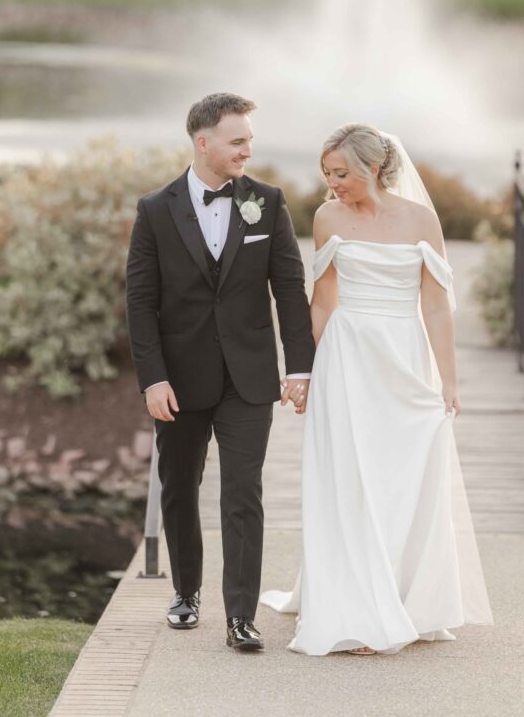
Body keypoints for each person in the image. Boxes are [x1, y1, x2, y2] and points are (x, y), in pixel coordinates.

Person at [260, 122, 494, 654]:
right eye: (326, 174)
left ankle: (404, 598)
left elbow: (435, 302)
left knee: (401, 476)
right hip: (346, 358)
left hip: (403, 357)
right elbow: (322, 299)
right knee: (348, 475)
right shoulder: (327, 217)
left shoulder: (421, 220)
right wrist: (305, 370)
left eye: (341, 173)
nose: (332, 183)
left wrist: (449, 380)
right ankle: (357, 606)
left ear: (373, 168)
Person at [125, 93, 315, 652]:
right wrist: (152, 377)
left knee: (243, 492)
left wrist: (300, 366)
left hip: (251, 376)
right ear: (203, 142)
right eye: (237, 141)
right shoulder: (155, 210)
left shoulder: (267, 202)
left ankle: (241, 616)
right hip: (179, 380)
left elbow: (288, 286)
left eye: (249, 140)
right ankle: (187, 594)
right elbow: (140, 302)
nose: (247, 150)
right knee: (180, 486)